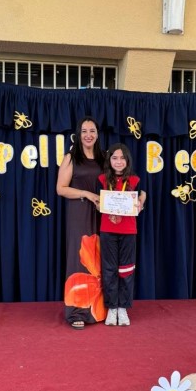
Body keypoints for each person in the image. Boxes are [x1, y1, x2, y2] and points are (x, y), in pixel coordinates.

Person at [56, 116, 106, 329]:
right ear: (78, 134)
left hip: (103, 213)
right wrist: (86, 193)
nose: (88, 135)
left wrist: (140, 196)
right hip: (79, 212)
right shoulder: (71, 158)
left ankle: (100, 310)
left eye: (92, 131)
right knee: (80, 259)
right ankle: (76, 311)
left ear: (97, 134)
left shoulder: (105, 157)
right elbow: (61, 188)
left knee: (101, 259)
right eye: (84, 131)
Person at [98, 143, 146, 326]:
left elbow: (143, 194)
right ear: (109, 160)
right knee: (109, 269)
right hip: (107, 230)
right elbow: (97, 200)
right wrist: (99, 204)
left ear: (128, 160)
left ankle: (123, 307)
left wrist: (141, 202)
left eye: (122, 158)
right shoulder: (102, 179)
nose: (118, 162)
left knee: (126, 269)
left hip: (128, 231)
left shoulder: (135, 179)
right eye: (114, 158)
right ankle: (112, 307)